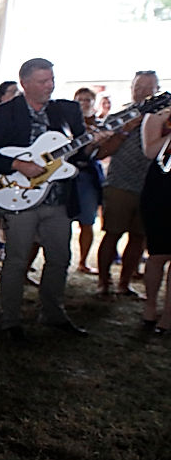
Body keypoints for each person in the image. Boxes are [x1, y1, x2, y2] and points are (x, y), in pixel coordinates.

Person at [0, 58, 104, 340]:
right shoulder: (5, 113)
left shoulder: (66, 110)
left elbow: (79, 154)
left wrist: (93, 143)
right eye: (43, 81)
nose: (50, 85)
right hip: (20, 197)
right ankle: (10, 321)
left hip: (58, 199)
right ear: (24, 83)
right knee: (17, 260)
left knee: (60, 258)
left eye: (52, 80)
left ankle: (53, 313)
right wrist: (19, 166)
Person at [96, 70, 159, 298]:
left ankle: (125, 283)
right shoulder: (119, 116)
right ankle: (103, 281)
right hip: (120, 183)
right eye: (137, 87)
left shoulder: (164, 117)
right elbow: (101, 152)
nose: (141, 92)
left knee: (139, 237)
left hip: (151, 187)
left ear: (157, 90)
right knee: (112, 233)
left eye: (147, 87)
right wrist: (126, 129)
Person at [140, 104, 171, 333]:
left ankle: (168, 316)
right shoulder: (160, 112)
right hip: (162, 190)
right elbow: (150, 151)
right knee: (158, 254)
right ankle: (150, 306)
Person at [72, 87, 106, 274]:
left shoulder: (101, 126)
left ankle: (83, 261)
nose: (84, 103)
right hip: (67, 177)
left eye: (88, 100)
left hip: (88, 177)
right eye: (80, 99)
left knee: (87, 221)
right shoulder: (66, 124)